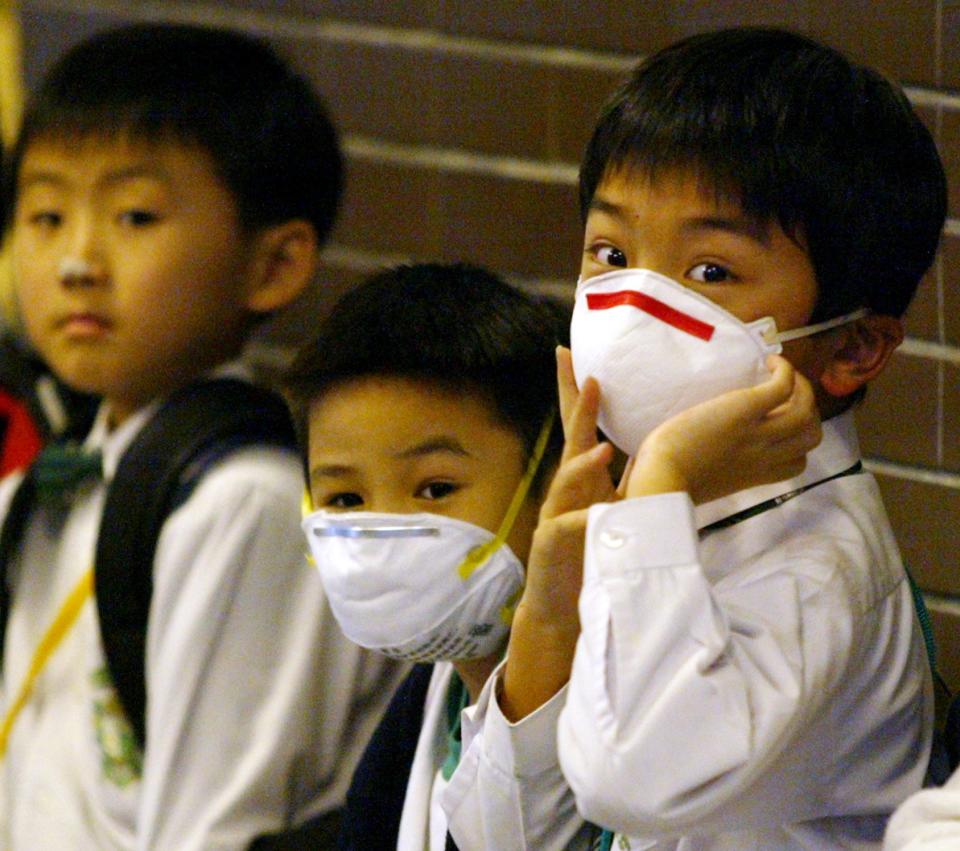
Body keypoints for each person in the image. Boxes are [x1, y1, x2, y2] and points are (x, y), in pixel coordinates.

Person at [442, 27, 948, 850]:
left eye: (710, 272)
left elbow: (624, 780)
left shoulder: (817, 568)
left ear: (853, 346)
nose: (634, 301)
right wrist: (549, 612)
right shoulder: (649, 506)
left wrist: (659, 489)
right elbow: (500, 835)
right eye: (611, 252)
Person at [0, 23, 399, 850]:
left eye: (135, 215)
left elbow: (215, 832)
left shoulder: (243, 502)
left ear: (275, 265)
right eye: (44, 214)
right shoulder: (57, 472)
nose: (77, 261)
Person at [286, 261, 822, 850]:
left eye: (435, 489)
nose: (384, 527)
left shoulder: (656, 701)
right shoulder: (421, 712)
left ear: (560, 476)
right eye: (345, 498)